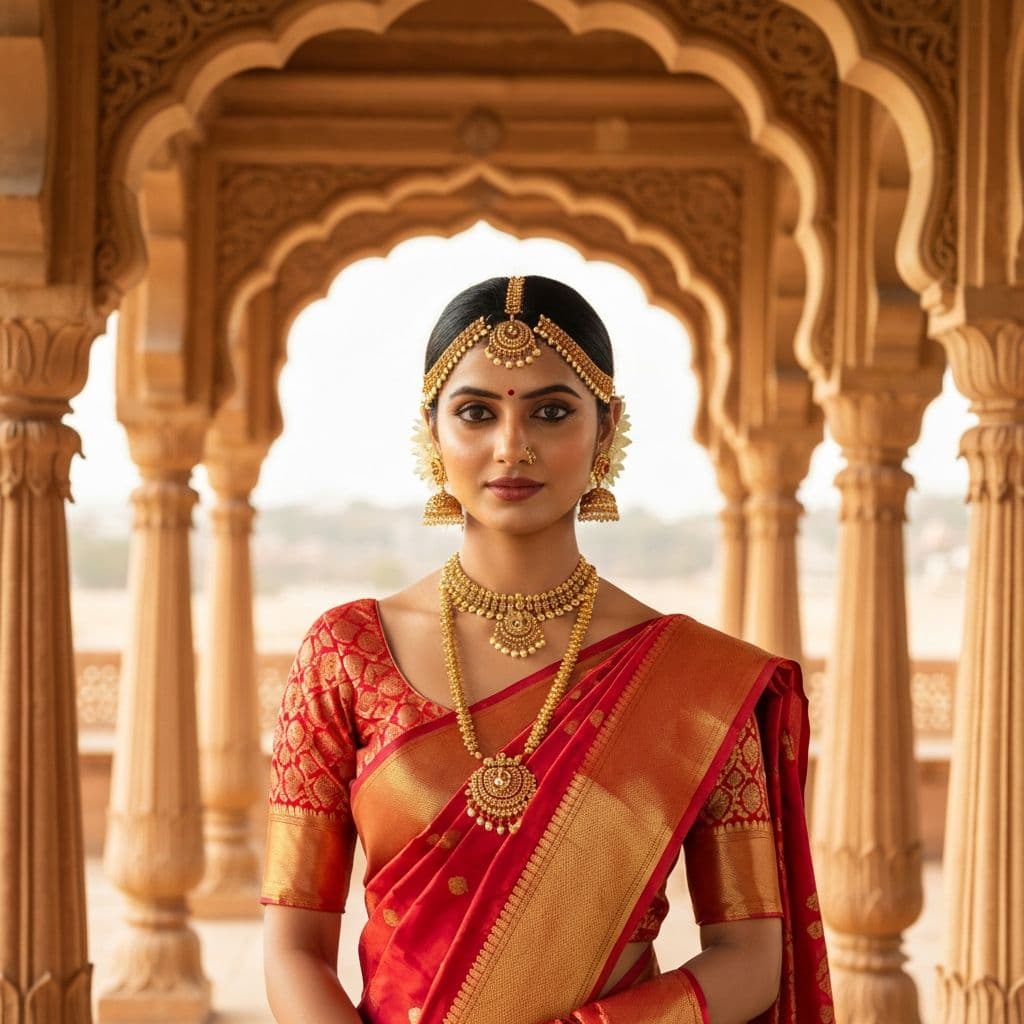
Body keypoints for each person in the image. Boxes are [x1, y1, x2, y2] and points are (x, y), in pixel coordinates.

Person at [260, 275, 832, 1023]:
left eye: (552, 411)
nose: (512, 447)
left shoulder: (696, 681)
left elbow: (752, 959)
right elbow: (293, 948)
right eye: (476, 412)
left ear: (607, 428)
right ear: (432, 430)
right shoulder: (347, 654)